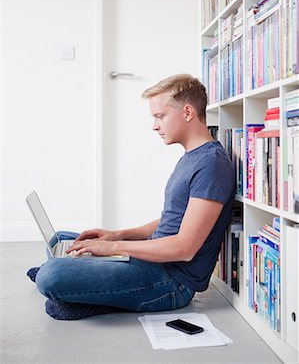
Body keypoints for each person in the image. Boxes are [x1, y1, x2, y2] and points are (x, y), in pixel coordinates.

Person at [28, 74, 235, 320]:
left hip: (171, 281)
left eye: (160, 116)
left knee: (51, 276)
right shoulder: (192, 156)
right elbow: (171, 219)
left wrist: (112, 247)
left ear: (188, 112)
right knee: (62, 238)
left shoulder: (212, 165)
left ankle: (79, 288)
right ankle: (81, 283)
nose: (154, 125)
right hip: (154, 258)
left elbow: (185, 248)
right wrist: (118, 235)